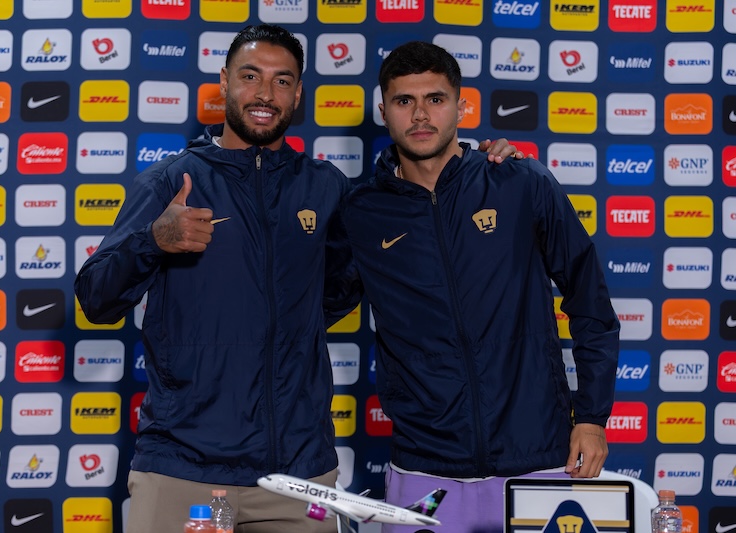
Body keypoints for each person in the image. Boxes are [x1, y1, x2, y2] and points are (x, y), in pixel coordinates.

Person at [75, 25, 521, 533]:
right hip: (188, 471)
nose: (265, 94)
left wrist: (481, 169)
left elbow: (342, 287)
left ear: (298, 93)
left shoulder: (325, 187)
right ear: (224, 82)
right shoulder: (171, 182)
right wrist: (153, 240)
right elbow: (96, 299)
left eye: (282, 81)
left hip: (298, 476)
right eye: (250, 76)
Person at [341, 41, 620, 533]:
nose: (421, 115)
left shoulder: (519, 182)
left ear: (460, 106)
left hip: (538, 459)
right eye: (405, 101)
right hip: (423, 467)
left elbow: (590, 302)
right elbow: (305, 308)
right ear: (384, 111)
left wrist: (593, 418)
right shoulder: (360, 211)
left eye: (436, 99)